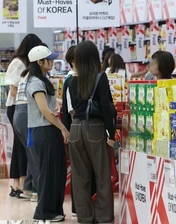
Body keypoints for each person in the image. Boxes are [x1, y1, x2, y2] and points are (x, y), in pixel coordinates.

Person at [63, 41, 115, 224]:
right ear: (94, 57)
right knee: (101, 174)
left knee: (80, 176)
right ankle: (103, 216)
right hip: (95, 128)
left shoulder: (69, 81)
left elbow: (66, 111)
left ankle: (84, 217)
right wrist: (112, 134)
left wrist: (67, 130)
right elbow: (107, 109)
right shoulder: (100, 78)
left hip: (75, 128)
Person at [25, 45, 69, 222]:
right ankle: (44, 212)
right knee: (48, 172)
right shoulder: (35, 82)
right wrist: (63, 128)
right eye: (48, 59)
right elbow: (44, 111)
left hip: (47, 130)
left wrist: (58, 103)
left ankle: (53, 210)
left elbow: (48, 104)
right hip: (44, 130)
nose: (52, 62)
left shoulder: (42, 79)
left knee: (56, 171)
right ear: (39, 62)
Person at [5, 33, 42, 197]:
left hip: (21, 107)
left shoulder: (26, 63)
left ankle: (22, 184)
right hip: (17, 107)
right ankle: (20, 185)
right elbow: (13, 89)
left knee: (23, 147)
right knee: (22, 147)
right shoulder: (18, 63)